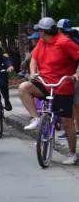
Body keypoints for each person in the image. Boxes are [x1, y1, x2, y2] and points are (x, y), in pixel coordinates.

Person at [18, 17, 79, 164]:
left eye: (40, 30)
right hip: (44, 83)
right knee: (24, 87)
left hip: (62, 86)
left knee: (67, 121)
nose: (38, 33)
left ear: (45, 32)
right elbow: (34, 59)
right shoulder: (42, 41)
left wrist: (76, 74)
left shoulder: (64, 42)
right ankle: (36, 118)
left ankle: (72, 153)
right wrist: (33, 73)